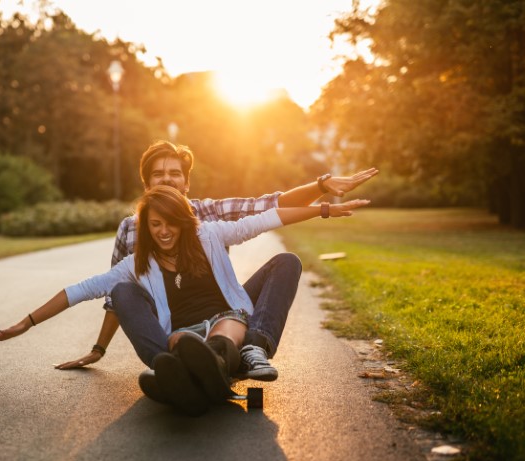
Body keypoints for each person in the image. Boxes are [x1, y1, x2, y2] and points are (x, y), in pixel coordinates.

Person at [0, 185, 371, 416]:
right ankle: (181, 372)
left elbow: (267, 218)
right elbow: (80, 290)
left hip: (227, 321)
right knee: (123, 296)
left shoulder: (212, 235)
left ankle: (243, 355)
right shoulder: (136, 265)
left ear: (183, 220)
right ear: (147, 227)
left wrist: (322, 209)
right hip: (182, 337)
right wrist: (27, 322)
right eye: (155, 225)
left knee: (282, 266)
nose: (164, 231)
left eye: (171, 222)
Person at [55, 140, 378, 382]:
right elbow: (118, 295)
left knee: (285, 262)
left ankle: (252, 347)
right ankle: (179, 365)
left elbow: (271, 208)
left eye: (174, 173)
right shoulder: (131, 228)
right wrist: (99, 349)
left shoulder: (209, 213)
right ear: (147, 184)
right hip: (175, 332)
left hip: (226, 318)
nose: (167, 179)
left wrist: (321, 187)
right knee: (134, 299)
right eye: (158, 175)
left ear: (186, 181)